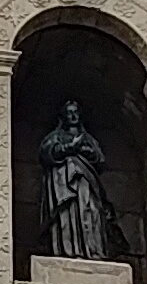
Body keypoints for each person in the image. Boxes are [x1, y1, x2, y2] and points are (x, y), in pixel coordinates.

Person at [40, 100, 118, 261]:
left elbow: (100, 159)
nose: (73, 115)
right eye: (69, 112)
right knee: (67, 214)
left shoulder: (87, 138)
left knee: (92, 212)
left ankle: (93, 249)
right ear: (63, 116)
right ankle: (67, 249)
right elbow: (47, 152)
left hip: (87, 182)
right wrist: (69, 148)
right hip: (63, 184)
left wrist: (87, 151)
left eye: (76, 112)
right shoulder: (56, 136)